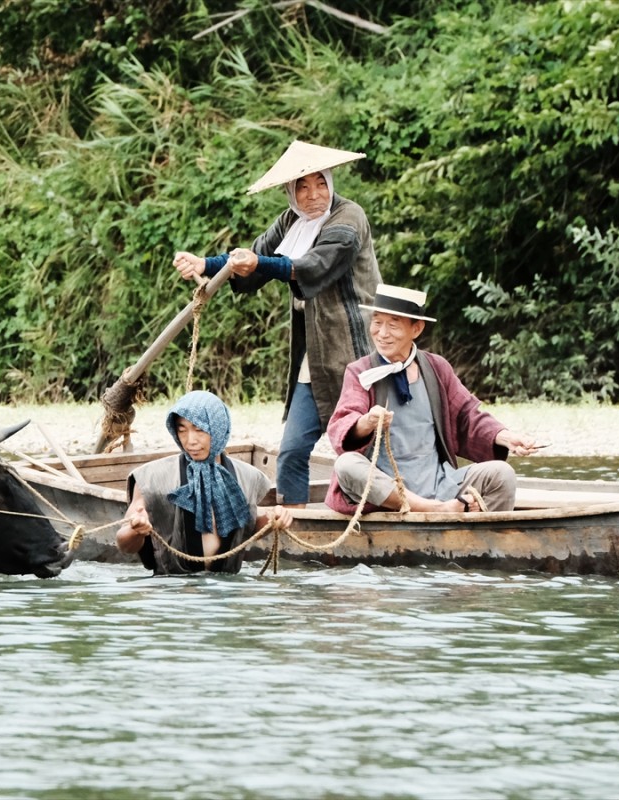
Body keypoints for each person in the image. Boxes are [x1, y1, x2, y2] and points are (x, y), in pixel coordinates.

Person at [173, 140, 381, 508]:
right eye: (302, 186)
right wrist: (205, 264)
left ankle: (376, 516)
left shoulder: (349, 219)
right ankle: (294, 527)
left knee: (361, 446)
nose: (313, 194)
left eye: (320, 183)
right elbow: (250, 262)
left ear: (330, 183)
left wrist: (260, 264)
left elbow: (315, 266)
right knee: (292, 451)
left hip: (354, 352)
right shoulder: (289, 222)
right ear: (290, 191)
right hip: (312, 357)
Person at [325, 285, 539, 515]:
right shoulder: (361, 371)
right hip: (386, 491)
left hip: (439, 482)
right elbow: (344, 424)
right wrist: (366, 422)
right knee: (346, 465)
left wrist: (505, 437)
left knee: (501, 474)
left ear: (416, 329)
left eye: (393, 324)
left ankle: (482, 542)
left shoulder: (436, 368)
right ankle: (436, 509)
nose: (382, 333)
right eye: (377, 322)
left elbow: (467, 415)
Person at [115, 390, 292, 575]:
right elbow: (124, 544)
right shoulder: (151, 478)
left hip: (227, 589)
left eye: (199, 429)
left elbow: (245, 527)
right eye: (182, 429)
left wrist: (272, 521)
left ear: (218, 428)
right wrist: (137, 530)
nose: (190, 441)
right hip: (172, 590)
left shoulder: (248, 478)